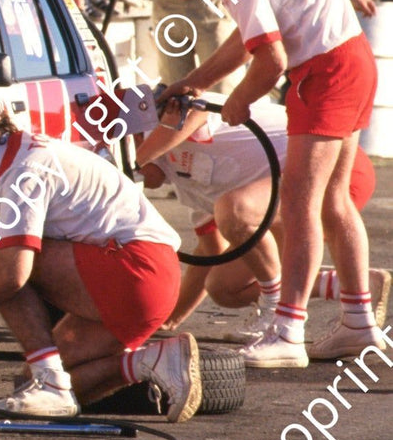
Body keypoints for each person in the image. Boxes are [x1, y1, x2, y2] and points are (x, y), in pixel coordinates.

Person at [131, 0, 384, 367]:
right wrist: (194, 80)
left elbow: (270, 60)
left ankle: (288, 330)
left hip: (325, 71)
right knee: (330, 202)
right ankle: (359, 323)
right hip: (352, 58)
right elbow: (250, 36)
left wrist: (240, 101)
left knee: (298, 202)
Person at [0, 102, 199, 422]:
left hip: (136, 270)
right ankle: (150, 362)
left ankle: (51, 382)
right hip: (150, 276)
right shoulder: (30, 151)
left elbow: (11, 275)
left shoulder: (22, 170)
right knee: (32, 382)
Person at [125, 90, 387, 341]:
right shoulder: (178, 178)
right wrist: (168, 320)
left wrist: (134, 162)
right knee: (223, 286)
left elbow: (198, 108)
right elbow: (209, 251)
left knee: (235, 210)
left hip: (338, 170)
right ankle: (353, 286)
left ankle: (278, 309)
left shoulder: (175, 116)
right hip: (293, 191)